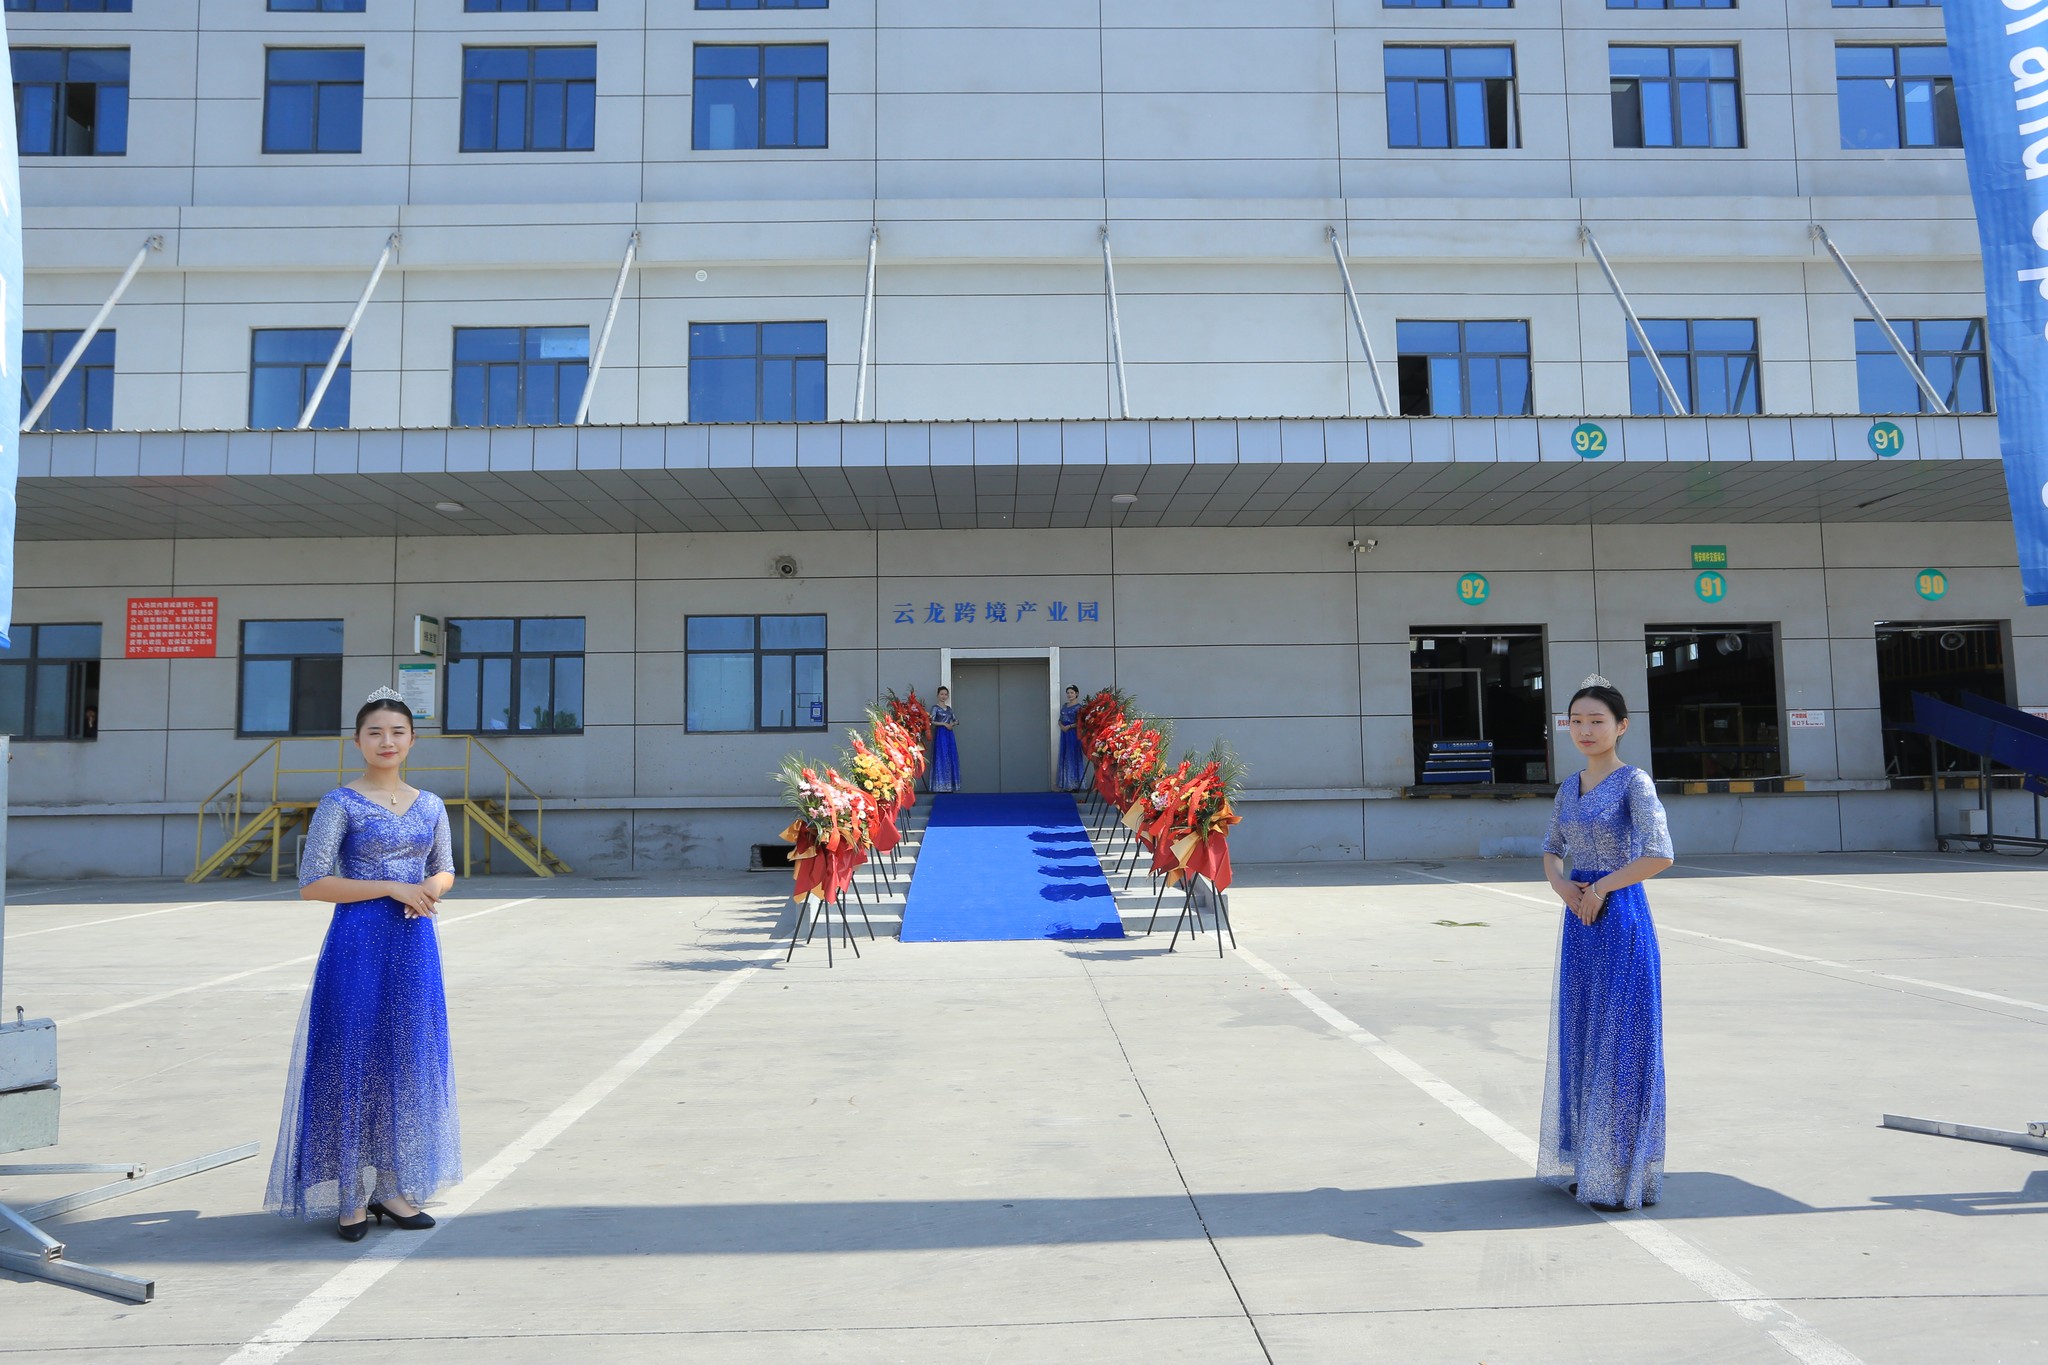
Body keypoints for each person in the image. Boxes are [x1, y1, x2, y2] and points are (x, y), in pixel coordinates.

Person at [265, 688, 462, 1240]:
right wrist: (393, 886)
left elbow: (446, 868)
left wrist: (429, 885)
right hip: (357, 944)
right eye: (375, 732)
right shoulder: (340, 803)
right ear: (357, 741)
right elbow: (312, 884)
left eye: (397, 732)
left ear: (412, 740)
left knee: (405, 1059)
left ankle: (392, 1188)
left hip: (414, 945)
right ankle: (350, 1193)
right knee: (352, 1056)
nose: (387, 741)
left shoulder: (431, 804)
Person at [1538, 675, 1674, 1212]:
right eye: (1576, 721)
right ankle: (1588, 1163)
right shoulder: (1568, 787)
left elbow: (1660, 854)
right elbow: (1551, 846)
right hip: (1579, 918)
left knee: (1622, 1042)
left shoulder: (1634, 783)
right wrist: (1561, 884)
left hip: (1620, 917)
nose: (1586, 730)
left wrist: (1600, 886)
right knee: (1583, 1036)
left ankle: (1620, 1172)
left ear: (1621, 726)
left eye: (1597, 721)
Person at [929, 684, 960, 793]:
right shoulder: (935, 708)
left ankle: (950, 785)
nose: (943, 696)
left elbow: (956, 720)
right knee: (941, 756)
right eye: (942, 694)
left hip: (949, 734)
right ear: (938, 695)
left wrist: (952, 723)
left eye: (946, 694)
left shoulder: (949, 709)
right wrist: (943, 724)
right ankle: (940, 785)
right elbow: (930, 721)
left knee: (950, 756)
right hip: (941, 734)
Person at [1056, 684, 1085, 791]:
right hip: (1064, 734)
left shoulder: (1079, 708)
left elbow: (1081, 723)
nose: (1069, 695)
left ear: (1076, 694)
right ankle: (1065, 783)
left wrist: (1069, 726)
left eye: (1072, 693)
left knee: (1073, 755)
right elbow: (1060, 719)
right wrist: (1061, 726)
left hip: (1073, 734)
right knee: (1064, 755)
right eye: (1068, 693)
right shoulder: (1064, 706)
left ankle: (1074, 784)